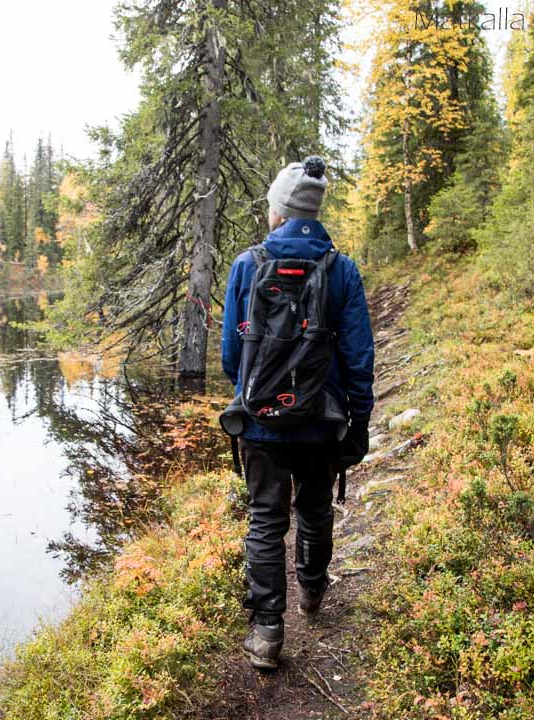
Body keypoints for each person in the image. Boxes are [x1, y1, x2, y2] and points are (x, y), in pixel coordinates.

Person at [220, 156, 375, 670]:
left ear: (279, 210)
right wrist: (359, 426)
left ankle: (267, 633)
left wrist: (260, 391)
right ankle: (311, 591)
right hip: (322, 423)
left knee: (265, 520)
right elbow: (359, 360)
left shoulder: (247, 265)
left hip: (262, 422)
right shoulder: (342, 269)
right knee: (314, 510)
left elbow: (229, 359)